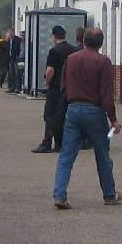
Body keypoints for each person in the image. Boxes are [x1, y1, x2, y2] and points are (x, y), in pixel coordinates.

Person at [52, 27, 122, 209]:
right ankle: (109, 194)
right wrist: (113, 119)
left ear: (83, 41)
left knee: (66, 155)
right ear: (100, 43)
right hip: (94, 111)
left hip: (73, 109)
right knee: (102, 154)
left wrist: (71, 100)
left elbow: (63, 85)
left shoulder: (71, 59)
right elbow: (106, 94)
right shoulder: (103, 62)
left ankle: (60, 195)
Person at [34, 25, 75, 153]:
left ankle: (46, 143)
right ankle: (59, 143)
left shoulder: (54, 51)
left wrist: (47, 81)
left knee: (49, 115)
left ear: (54, 36)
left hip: (55, 87)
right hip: (67, 88)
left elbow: (50, 69)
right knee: (61, 116)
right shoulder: (72, 50)